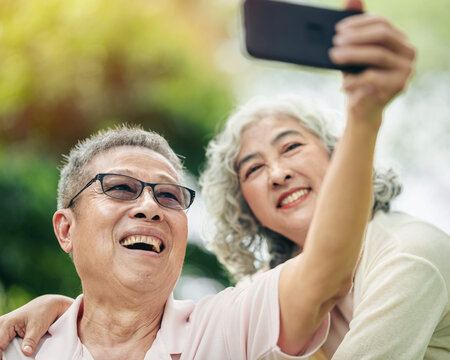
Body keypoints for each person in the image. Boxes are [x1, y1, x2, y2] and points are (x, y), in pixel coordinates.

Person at [0, 106, 378, 360]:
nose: (150, 206)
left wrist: (364, 113)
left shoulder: (224, 331)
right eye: (119, 188)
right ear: (66, 229)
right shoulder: (18, 347)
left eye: (168, 195)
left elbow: (326, 271)